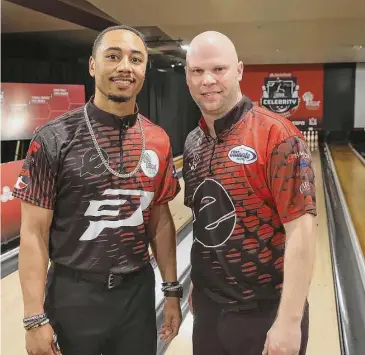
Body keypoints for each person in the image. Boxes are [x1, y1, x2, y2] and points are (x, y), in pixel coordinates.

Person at [13, 25, 183, 355]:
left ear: (144, 70)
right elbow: (33, 233)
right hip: (74, 296)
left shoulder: (158, 139)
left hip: (136, 295)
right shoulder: (54, 138)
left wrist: (172, 289)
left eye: (136, 59)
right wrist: (34, 319)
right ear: (93, 65)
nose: (125, 67)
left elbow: (160, 220)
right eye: (113, 56)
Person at [182, 31, 316, 355]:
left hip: (265, 314)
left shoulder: (277, 136)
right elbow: (204, 224)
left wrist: (288, 321)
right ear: (187, 76)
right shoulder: (192, 143)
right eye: (197, 71)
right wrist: (198, 288)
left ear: (239, 70)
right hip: (209, 313)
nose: (207, 80)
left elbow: (302, 231)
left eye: (218, 69)